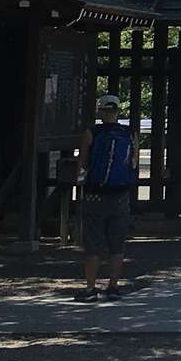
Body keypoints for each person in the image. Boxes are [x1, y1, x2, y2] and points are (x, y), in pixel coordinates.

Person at [76, 94, 138, 302]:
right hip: (120, 195)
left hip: (95, 195)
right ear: (118, 111)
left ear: (100, 111)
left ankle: (91, 288)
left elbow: (84, 163)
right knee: (117, 243)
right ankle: (113, 286)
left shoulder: (91, 133)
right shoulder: (129, 133)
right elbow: (133, 163)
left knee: (93, 243)